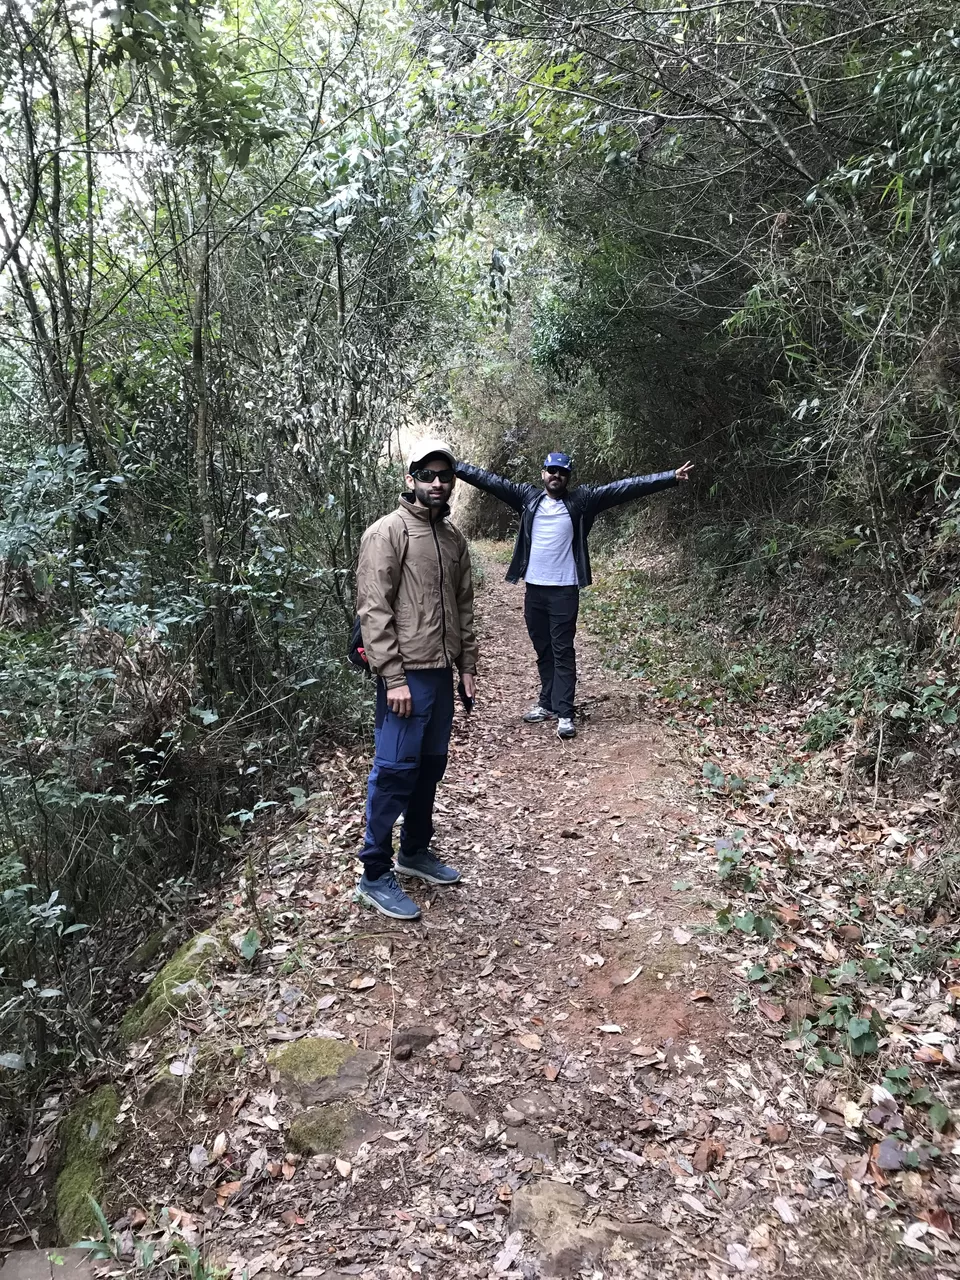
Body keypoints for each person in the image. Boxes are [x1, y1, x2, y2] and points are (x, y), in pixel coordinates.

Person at [455, 451, 693, 739]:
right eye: (552, 470)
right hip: (534, 589)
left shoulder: (582, 500)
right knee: (543, 649)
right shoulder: (527, 498)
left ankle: (565, 712)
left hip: (564, 590)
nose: (556, 476)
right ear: (543, 473)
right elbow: (489, 480)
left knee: (562, 650)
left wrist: (668, 477)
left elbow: (624, 487)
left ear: (568, 477)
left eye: (562, 472)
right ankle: (547, 703)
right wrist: (453, 467)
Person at [353, 440, 478, 921]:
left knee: (430, 768)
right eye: (428, 474)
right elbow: (373, 608)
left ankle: (414, 851)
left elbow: (464, 606)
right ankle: (374, 872)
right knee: (394, 773)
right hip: (405, 678)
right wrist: (392, 678)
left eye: (445, 476)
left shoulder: (452, 540)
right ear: (412, 478)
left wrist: (467, 666)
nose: (437, 483)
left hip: (442, 674)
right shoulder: (388, 532)